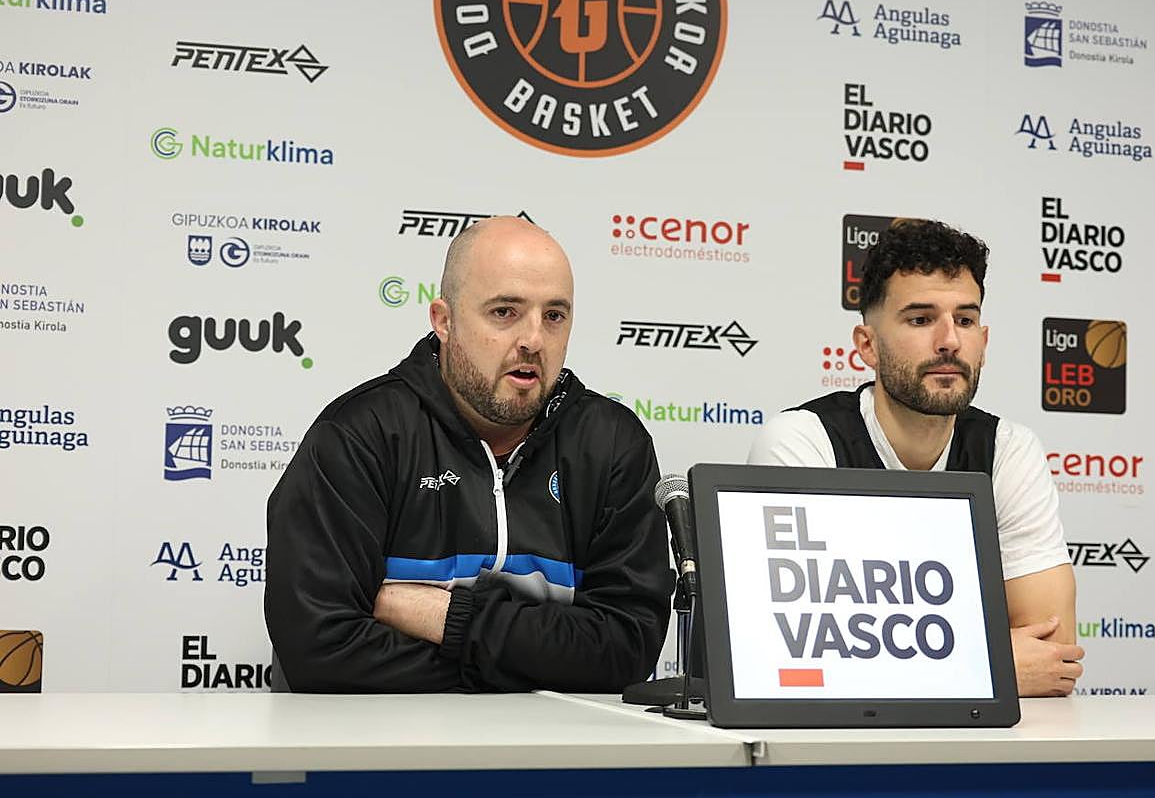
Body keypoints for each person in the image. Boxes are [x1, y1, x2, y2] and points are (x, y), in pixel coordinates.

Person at [265, 216, 672, 693]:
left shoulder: (612, 444)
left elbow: (626, 650)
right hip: (379, 755)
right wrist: (536, 664)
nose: (533, 340)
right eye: (504, 312)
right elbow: (319, 649)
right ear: (444, 320)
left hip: (556, 756)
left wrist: (447, 618)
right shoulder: (361, 434)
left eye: (554, 316)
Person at [748, 219, 1082, 697]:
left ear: (983, 341)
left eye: (965, 320)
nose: (948, 340)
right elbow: (797, 654)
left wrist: (892, 666)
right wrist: (986, 664)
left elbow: (1053, 656)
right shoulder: (804, 443)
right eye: (921, 319)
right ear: (867, 345)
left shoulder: (1008, 450)